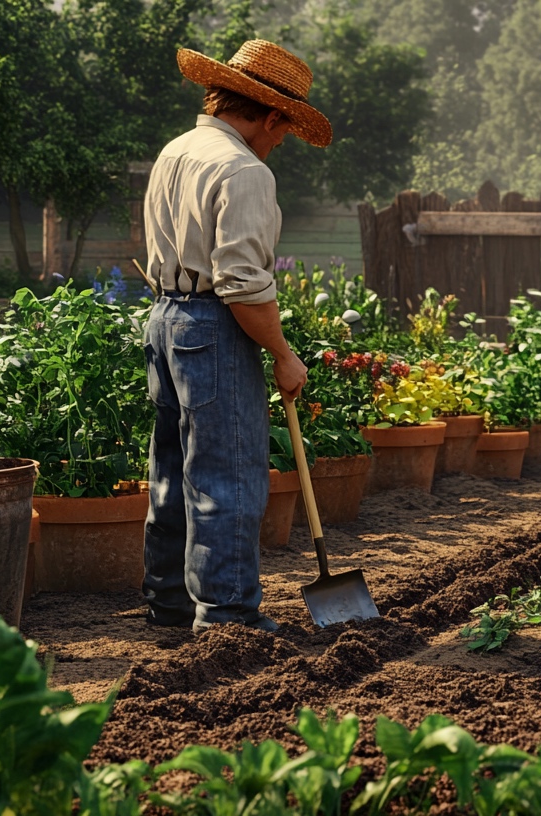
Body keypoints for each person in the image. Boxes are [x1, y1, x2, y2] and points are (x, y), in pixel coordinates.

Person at [141, 40, 331, 632]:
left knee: (173, 470)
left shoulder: (176, 151)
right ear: (270, 114)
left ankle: (170, 605)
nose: (280, 144)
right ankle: (228, 619)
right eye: (283, 132)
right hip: (213, 328)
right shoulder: (244, 170)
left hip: (165, 320)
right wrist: (283, 353)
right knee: (229, 473)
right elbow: (244, 285)